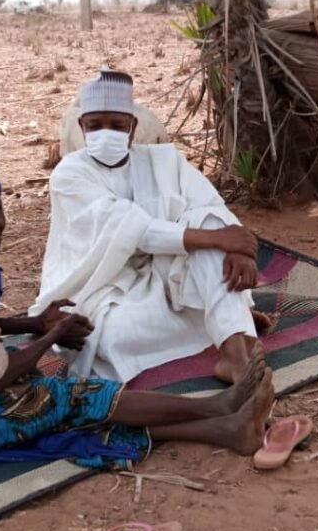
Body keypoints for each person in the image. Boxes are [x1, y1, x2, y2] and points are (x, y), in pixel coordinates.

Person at [0, 154, 274, 481]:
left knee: (64, 408)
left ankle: (224, 431)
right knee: (67, 399)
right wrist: (48, 334)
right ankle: (215, 408)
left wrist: (33, 325)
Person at [31, 69, 263, 385]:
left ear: (133, 127)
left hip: (168, 274)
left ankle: (235, 354)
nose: (106, 133)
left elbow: (209, 204)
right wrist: (221, 240)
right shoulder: (69, 174)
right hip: (106, 285)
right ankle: (228, 318)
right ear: (81, 127)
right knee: (112, 337)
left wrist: (238, 248)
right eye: (95, 125)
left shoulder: (164, 160)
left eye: (117, 125)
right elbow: (131, 229)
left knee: (207, 220)